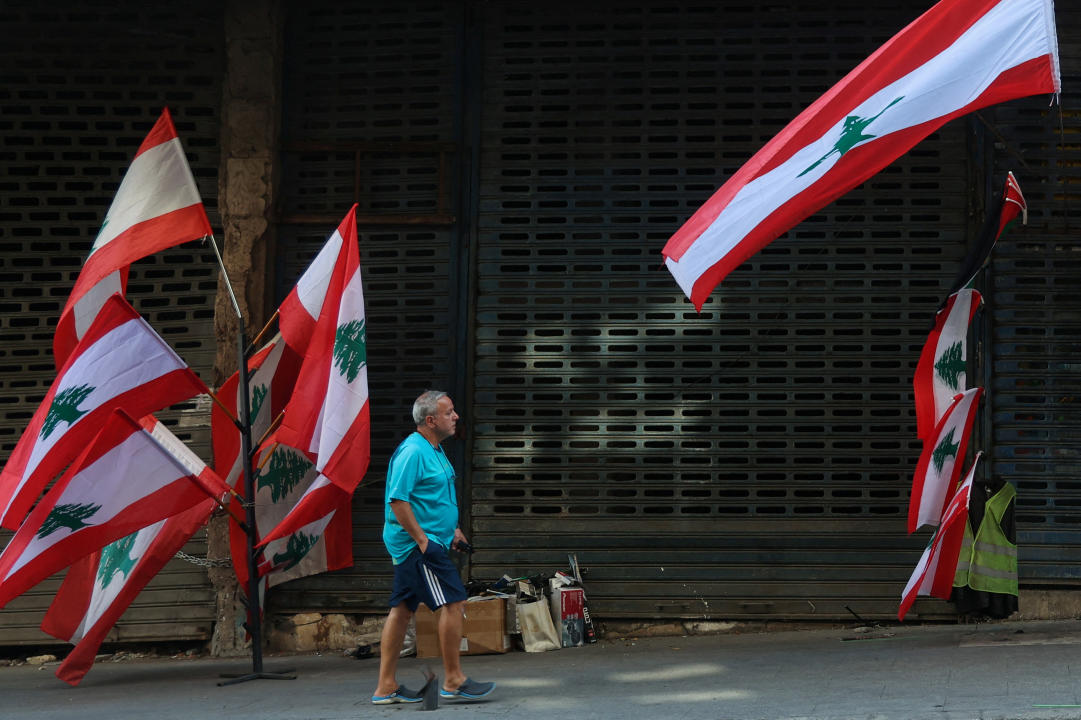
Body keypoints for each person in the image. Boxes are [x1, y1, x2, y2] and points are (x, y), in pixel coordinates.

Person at [371, 390, 496, 705]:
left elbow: (431, 498)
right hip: (417, 545)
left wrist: (451, 529)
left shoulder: (434, 449)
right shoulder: (412, 452)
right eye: (449, 412)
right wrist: (424, 541)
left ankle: (385, 686)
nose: (456, 417)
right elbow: (398, 501)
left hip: (428, 540)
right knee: (453, 602)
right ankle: (453, 680)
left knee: (401, 609)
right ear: (430, 420)